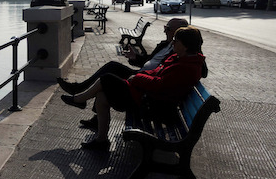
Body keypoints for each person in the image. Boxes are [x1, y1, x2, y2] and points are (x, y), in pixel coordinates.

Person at [61, 26, 206, 151]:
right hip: (151, 98)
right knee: (102, 94)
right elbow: (157, 75)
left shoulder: (186, 67)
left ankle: (79, 99)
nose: (173, 43)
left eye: (176, 41)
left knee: (107, 79)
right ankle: (101, 140)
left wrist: (137, 78)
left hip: (153, 106)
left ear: (186, 46)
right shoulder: (183, 60)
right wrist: (140, 76)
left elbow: (159, 84)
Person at [57, 18, 193, 129]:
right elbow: (149, 60)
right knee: (112, 66)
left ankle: (80, 96)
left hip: (144, 86)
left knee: (107, 80)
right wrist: (135, 57)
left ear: (179, 33)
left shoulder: (179, 52)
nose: (164, 30)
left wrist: (139, 77)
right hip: (142, 76)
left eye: (168, 28)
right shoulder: (166, 45)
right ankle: (83, 98)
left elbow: (167, 75)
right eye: (165, 27)